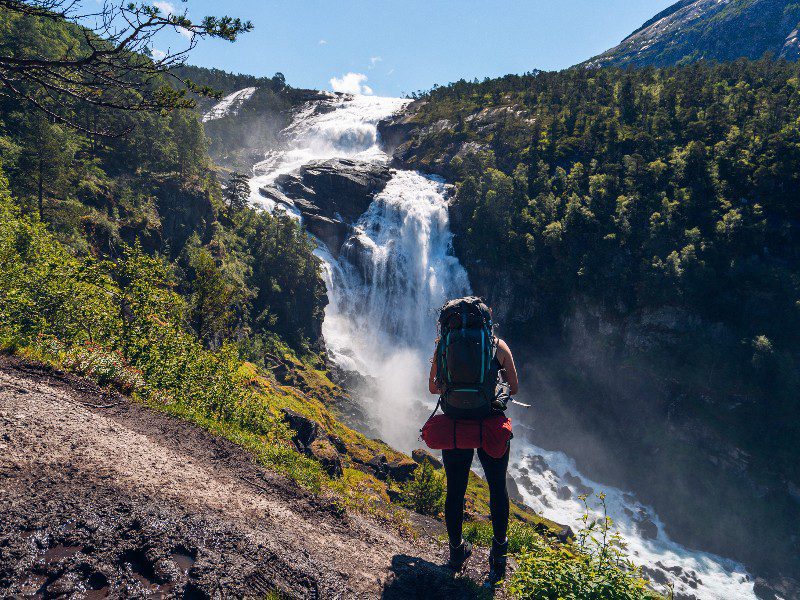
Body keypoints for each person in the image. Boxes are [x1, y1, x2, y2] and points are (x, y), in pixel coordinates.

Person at [428, 316, 519, 583]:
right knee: (497, 488)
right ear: (486, 321)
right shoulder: (497, 346)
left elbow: (433, 387)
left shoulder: (443, 345)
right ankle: (498, 558)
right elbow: (514, 387)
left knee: (455, 489)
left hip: (456, 426)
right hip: (489, 425)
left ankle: (457, 553)